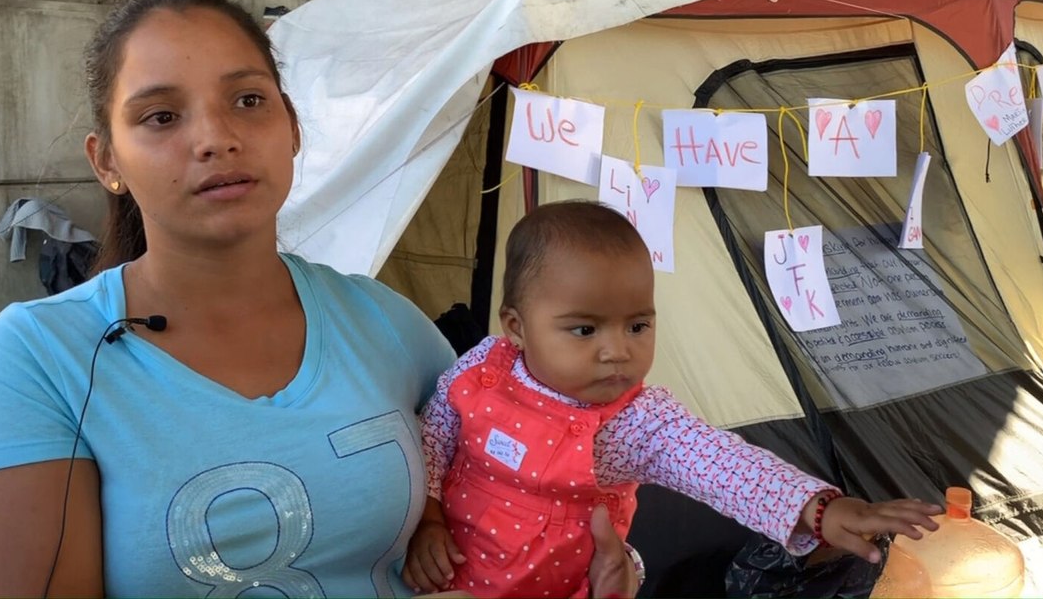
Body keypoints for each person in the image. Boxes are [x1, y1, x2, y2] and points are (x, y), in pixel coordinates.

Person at [0, 0, 639, 598]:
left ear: (292, 129)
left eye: (247, 100)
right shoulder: (40, 358)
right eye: (161, 117)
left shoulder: (385, 325)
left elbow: (516, 481)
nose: (216, 137)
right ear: (107, 162)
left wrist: (601, 565)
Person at [404, 201, 943, 598]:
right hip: (450, 577)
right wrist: (427, 521)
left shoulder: (634, 421)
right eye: (585, 330)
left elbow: (721, 463)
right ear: (516, 328)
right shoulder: (483, 369)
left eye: (638, 324)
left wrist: (818, 507)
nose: (617, 351)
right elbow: (432, 439)